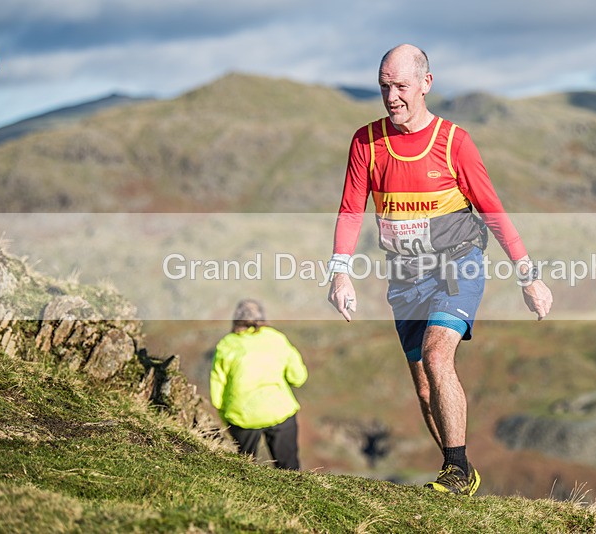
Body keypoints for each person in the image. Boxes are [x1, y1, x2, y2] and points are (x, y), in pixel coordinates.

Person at [326, 44, 553, 496]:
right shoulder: (365, 142)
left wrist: (528, 275)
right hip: (405, 275)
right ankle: (462, 472)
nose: (391, 97)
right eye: (384, 86)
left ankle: (454, 469)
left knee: (436, 355)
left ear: (426, 84)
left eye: (401, 86)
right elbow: (351, 209)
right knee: (425, 389)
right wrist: (340, 272)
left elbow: (492, 209)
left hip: (457, 265)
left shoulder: (454, 143)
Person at [210, 298, 308, 470]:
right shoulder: (277, 339)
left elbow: (217, 389)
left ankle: (243, 495)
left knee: (244, 468)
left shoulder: (226, 344)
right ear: (263, 318)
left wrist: (225, 413)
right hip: (279, 411)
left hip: (242, 415)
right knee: (289, 468)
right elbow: (298, 377)